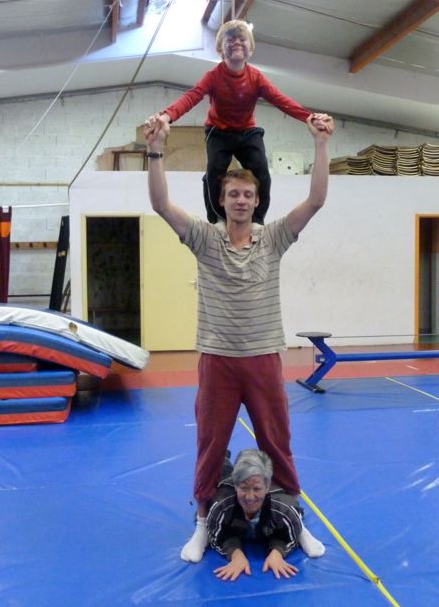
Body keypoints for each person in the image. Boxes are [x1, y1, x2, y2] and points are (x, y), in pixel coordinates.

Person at [143, 109, 333, 564]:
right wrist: (155, 151)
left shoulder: (274, 239)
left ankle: (295, 518)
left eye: (248, 194)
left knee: (277, 442)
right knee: (211, 445)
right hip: (218, 360)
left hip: (264, 357)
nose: (241, 200)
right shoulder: (205, 239)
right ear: (221, 200)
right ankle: (202, 522)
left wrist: (321, 144)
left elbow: (316, 200)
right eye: (233, 194)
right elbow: (161, 205)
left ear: (257, 199)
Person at [146, 19, 333, 224]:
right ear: (220, 50)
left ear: (250, 49)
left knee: (262, 172)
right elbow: (192, 96)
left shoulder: (256, 78)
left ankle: (257, 220)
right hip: (218, 131)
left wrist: (308, 117)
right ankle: (217, 220)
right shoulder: (213, 76)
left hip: (247, 132)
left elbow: (280, 100)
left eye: (242, 39)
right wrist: (166, 116)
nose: (236, 42)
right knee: (214, 172)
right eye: (230, 40)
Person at [208, 449, 325, 581]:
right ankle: (224, 456)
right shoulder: (222, 505)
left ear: (267, 487)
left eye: (257, 489)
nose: (250, 497)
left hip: (275, 504)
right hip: (228, 483)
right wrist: (235, 553)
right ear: (235, 486)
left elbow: (289, 533)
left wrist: (277, 551)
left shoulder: (282, 508)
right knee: (220, 466)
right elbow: (215, 531)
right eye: (244, 488)